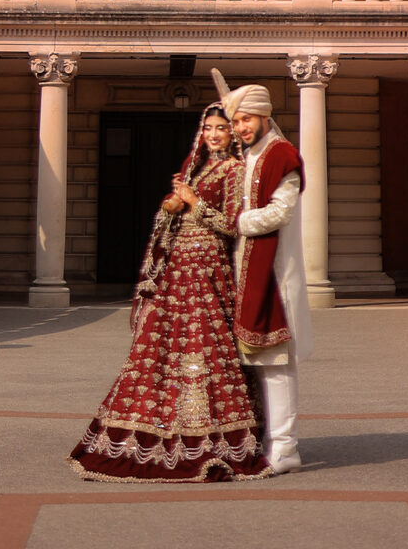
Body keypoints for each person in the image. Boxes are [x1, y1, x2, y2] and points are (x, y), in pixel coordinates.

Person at [70, 105, 269, 483]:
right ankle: (159, 427)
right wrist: (173, 205)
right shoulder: (197, 169)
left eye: (221, 128)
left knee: (207, 346)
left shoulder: (234, 170)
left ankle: (212, 436)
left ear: (231, 134)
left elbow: (232, 224)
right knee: (161, 346)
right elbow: (176, 214)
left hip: (209, 269)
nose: (213, 135)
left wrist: (193, 202)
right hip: (179, 269)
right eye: (208, 128)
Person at [216, 73, 312, 476]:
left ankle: (286, 448)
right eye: (236, 121)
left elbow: (280, 212)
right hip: (244, 272)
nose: (240, 128)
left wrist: (234, 222)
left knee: (276, 365)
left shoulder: (282, 155)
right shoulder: (247, 156)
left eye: (247, 119)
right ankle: (263, 440)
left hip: (274, 275)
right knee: (252, 366)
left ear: (264, 116)